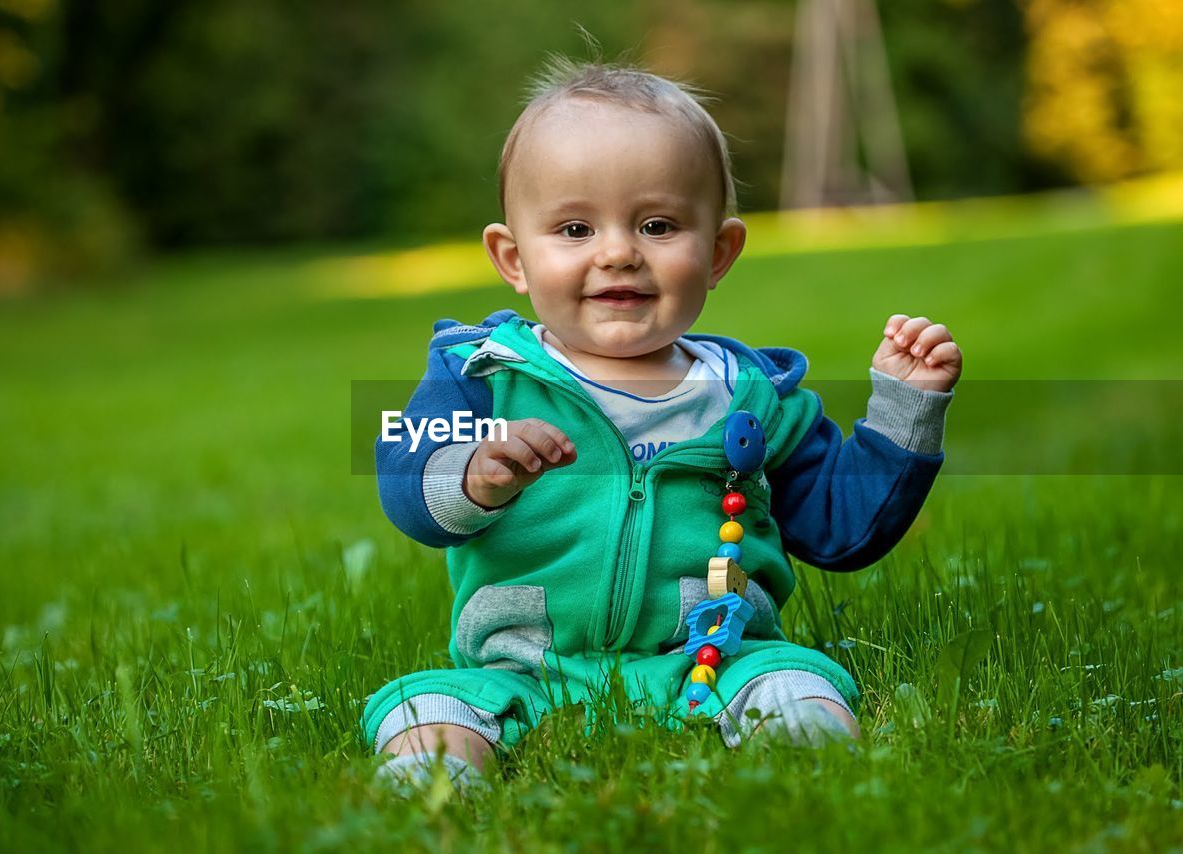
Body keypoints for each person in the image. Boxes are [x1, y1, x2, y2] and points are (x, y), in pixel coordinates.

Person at [364, 57, 962, 795]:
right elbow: (402, 477)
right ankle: (439, 779)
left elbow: (842, 530)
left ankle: (805, 770)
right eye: (576, 228)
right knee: (426, 708)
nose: (618, 252)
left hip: (713, 660)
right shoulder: (480, 375)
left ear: (717, 254)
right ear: (513, 259)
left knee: (798, 684)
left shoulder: (751, 396)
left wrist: (905, 411)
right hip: (519, 668)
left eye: (657, 224)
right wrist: (474, 473)